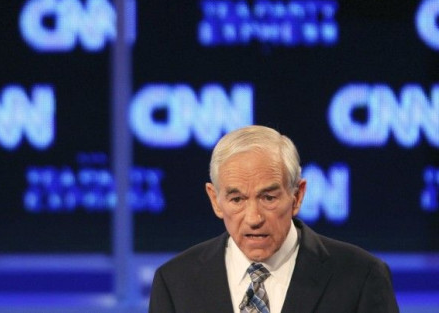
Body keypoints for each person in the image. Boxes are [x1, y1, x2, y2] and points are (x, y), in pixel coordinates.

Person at [148, 125, 399, 313]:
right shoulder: (175, 282)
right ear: (215, 200)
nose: (254, 218)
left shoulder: (361, 277)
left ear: (297, 196)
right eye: (237, 200)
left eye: (268, 198)